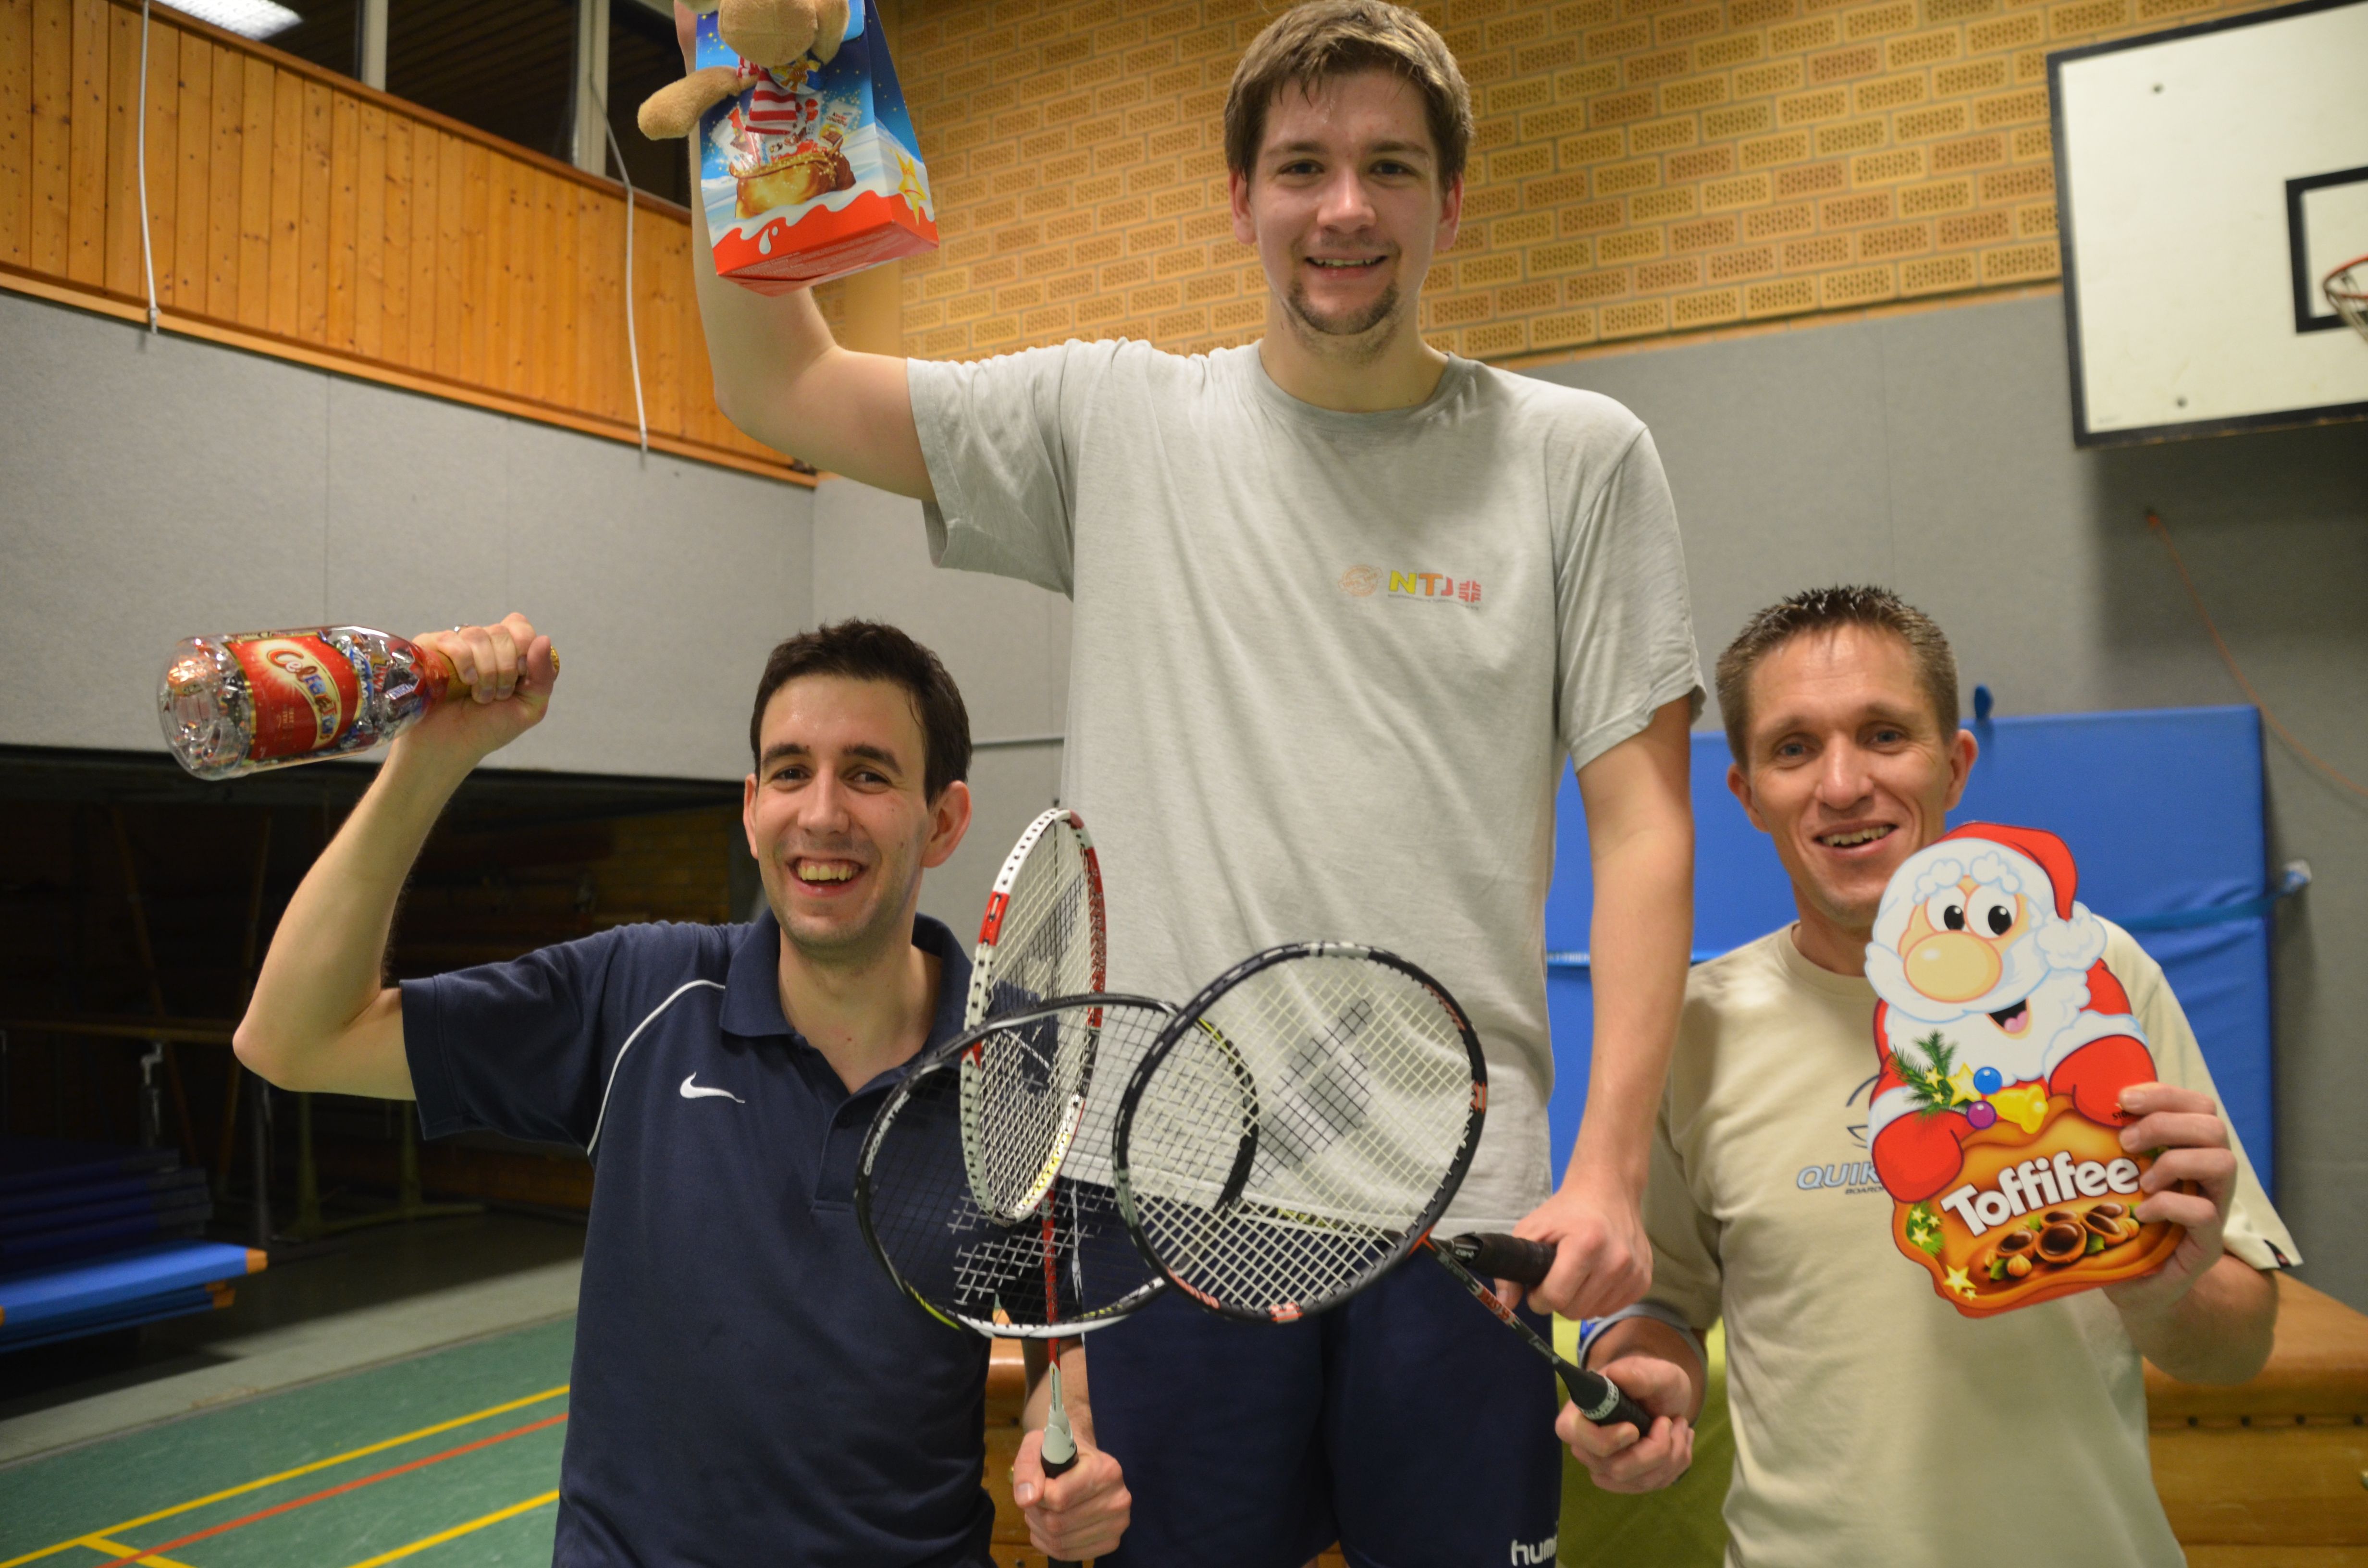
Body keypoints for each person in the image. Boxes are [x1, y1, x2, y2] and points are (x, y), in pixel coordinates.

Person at [681, 2, 1703, 1560]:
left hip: (1464, 1202)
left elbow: (1641, 827)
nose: (1343, 207)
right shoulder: (1112, 423)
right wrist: (738, 126)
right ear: (1239, 201)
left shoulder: (1581, 458)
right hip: (1155, 1208)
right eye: (1300, 167)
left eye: (1389, 167)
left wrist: (1610, 1170)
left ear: (1449, 203)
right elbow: (782, 388)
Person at [234, 614, 1131, 1567]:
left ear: (943, 820)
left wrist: (1065, 1442)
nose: (822, 813)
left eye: (868, 775)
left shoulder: (1023, 1065)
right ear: (751, 808)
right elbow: (293, 1040)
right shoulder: (639, 995)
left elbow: (1058, 1337)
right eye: (790, 772)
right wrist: (431, 757)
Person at [1561, 586, 2295, 1565]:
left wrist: (2167, 1290)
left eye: (1883, 735)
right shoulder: (1692, 1028)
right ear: (1746, 793)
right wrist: (1647, 1376)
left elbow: (2237, 1351)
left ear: (1953, 765)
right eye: (1793, 748)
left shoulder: (2096, 977)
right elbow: (1661, 1306)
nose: (1842, 784)